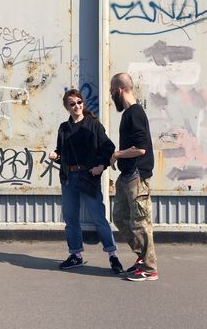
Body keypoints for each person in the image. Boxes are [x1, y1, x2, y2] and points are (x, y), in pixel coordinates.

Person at [49, 88, 123, 274]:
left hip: (89, 176)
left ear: (83, 103)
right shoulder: (63, 128)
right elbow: (61, 151)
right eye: (72, 104)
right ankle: (76, 255)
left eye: (79, 102)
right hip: (69, 178)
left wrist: (101, 166)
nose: (77, 106)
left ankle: (113, 256)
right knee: (71, 219)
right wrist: (55, 155)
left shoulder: (93, 125)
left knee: (99, 218)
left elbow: (109, 148)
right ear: (67, 107)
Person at [109, 73, 158, 282]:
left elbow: (141, 149)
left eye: (112, 91)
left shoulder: (134, 113)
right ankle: (141, 257)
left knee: (140, 222)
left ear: (119, 90)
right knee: (119, 217)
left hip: (137, 174)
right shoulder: (128, 114)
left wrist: (117, 154)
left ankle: (149, 268)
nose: (111, 95)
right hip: (127, 175)